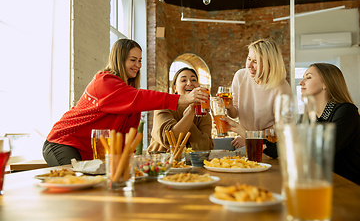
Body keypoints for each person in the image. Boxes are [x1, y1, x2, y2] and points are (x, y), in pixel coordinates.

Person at [43, 39, 208, 166]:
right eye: (133, 60)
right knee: (75, 187)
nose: (138, 65)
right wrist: (183, 99)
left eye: (140, 61)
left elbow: (127, 134)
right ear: (119, 59)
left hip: (86, 150)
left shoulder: (127, 92)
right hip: (63, 142)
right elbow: (142, 97)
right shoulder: (104, 81)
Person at [225, 39, 291, 157]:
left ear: (270, 65)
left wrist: (248, 137)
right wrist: (229, 107)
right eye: (249, 59)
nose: (249, 65)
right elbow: (234, 114)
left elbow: (281, 127)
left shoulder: (281, 86)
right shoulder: (240, 76)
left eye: (255, 62)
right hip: (246, 139)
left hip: (269, 145)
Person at [299, 63, 360, 185]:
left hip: (349, 188)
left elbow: (321, 152)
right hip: (321, 182)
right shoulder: (309, 116)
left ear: (325, 84)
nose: (301, 82)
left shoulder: (346, 111)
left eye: (308, 77)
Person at [148, 67, 214, 152]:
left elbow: (206, 148)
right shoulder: (164, 107)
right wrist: (189, 116)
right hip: (162, 163)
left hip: (194, 164)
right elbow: (168, 140)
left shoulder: (203, 113)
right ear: (175, 88)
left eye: (193, 80)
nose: (189, 83)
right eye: (183, 80)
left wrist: (190, 117)